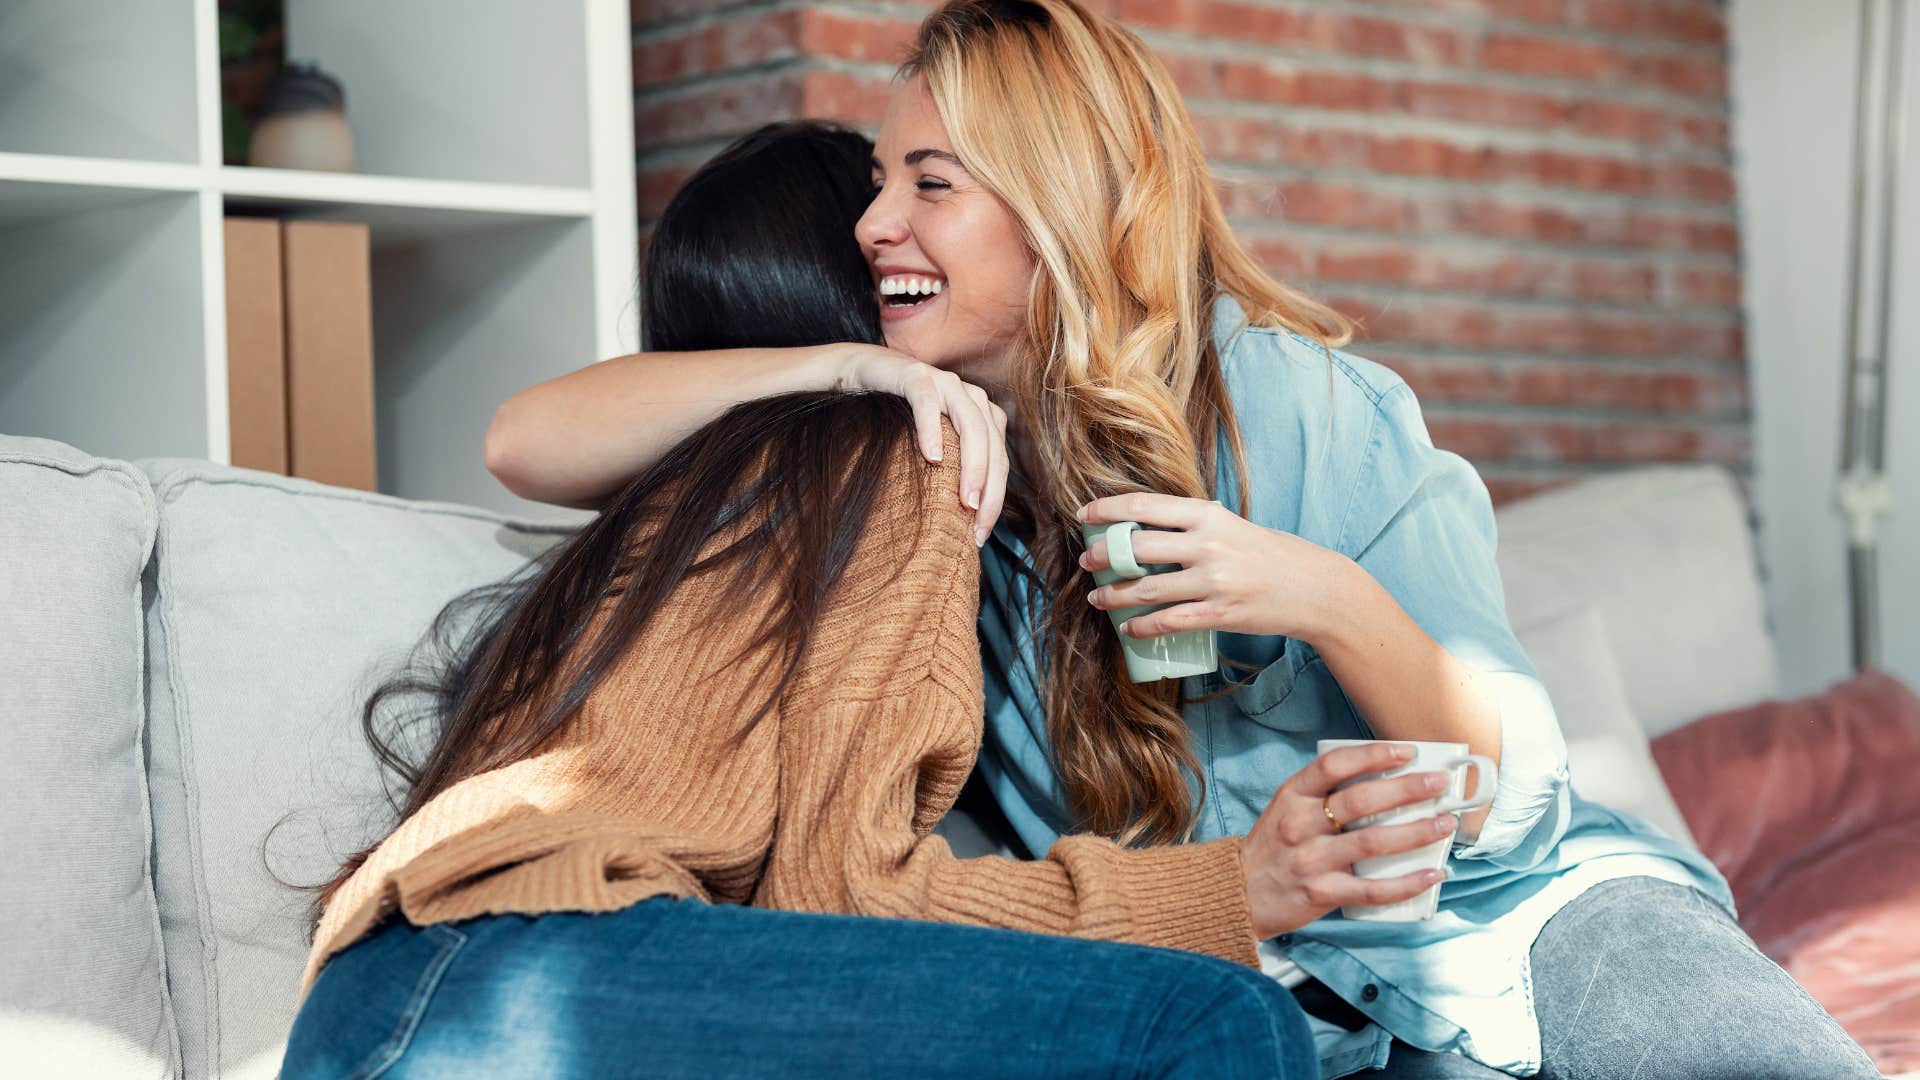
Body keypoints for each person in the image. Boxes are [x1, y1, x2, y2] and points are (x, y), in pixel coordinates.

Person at [483, 4, 1885, 1078]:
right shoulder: (916, 482)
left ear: (1062, 206)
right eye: (875, 184)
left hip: (1519, 922)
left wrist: (1325, 597)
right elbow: (530, 441)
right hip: (1275, 1002)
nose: (873, 223)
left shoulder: (1290, 399)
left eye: (928, 183)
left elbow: (1509, 792)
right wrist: (833, 372)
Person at [276, 120, 1460, 1079]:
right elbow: (845, 893)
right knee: (1213, 1025)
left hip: (415, 986)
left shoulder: (704, 487)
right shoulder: (887, 460)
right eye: (892, 219)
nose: (899, 232)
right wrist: (1229, 888)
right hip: (511, 977)